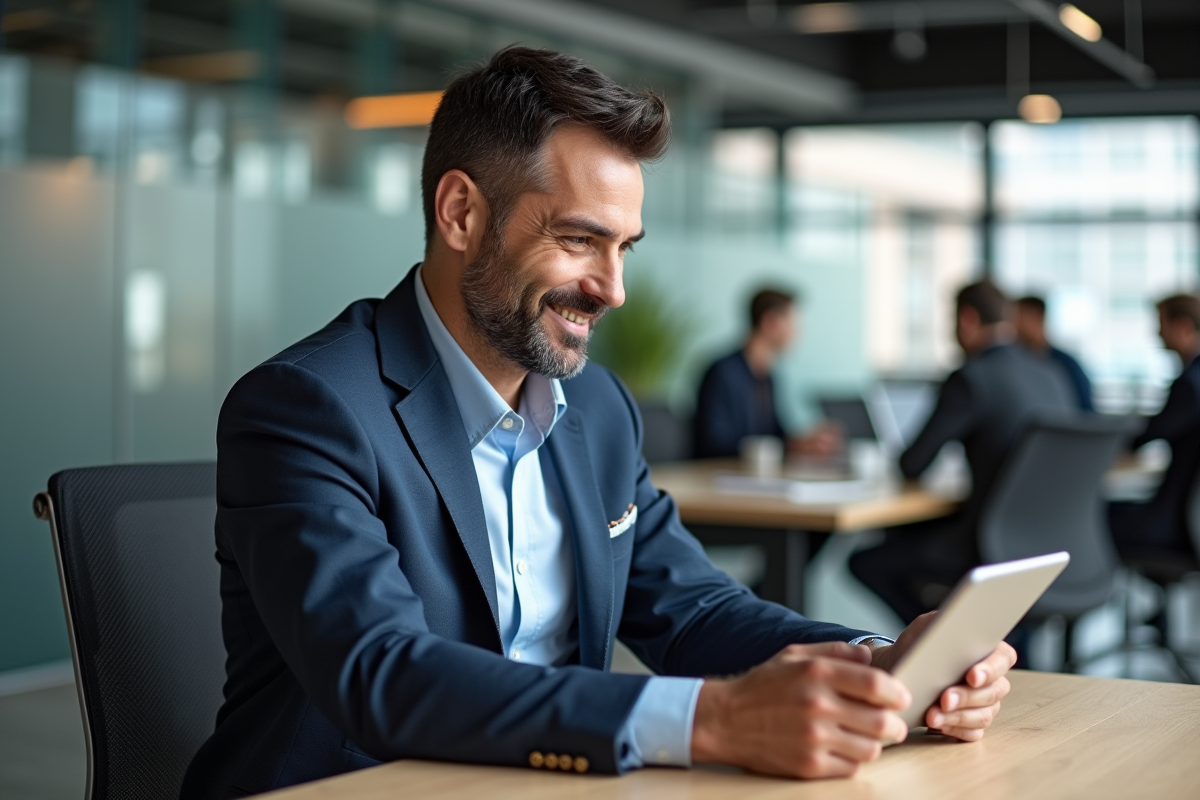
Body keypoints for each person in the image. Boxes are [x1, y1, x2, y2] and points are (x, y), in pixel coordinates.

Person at [182, 48, 1014, 799]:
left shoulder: (599, 412)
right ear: (462, 214)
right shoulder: (308, 407)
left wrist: (879, 665)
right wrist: (709, 721)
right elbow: (383, 674)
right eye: (581, 240)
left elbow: (692, 612)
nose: (612, 289)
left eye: (625, 248)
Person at [850, 280, 1075, 625]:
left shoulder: (972, 377)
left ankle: (935, 642)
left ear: (967, 320)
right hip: (1050, 545)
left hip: (990, 546)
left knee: (866, 562)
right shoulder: (1051, 374)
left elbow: (913, 464)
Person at [692, 289, 841, 459]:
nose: (797, 332)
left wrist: (801, 442)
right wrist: (789, 445)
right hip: (715, 476)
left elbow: (774, 434)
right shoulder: (722, 373)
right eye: (792, 323)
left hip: (754, 475)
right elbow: (715, 442)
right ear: (771, 322)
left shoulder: (769, 376)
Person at [1108, 294, 1200, 556]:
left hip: (1173, 525)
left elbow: (1145, 435)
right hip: (1187, 520)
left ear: (1182, 326)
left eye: (1161, 325)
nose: (1157, 334)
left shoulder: (1190, 386)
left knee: (1089, 517)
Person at [1014, 295, 1094, 412]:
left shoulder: (1066, 366)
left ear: (1035, 317)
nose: (1013, 327)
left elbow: (1087, 415)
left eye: (1017, 319)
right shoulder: (1014, 365)